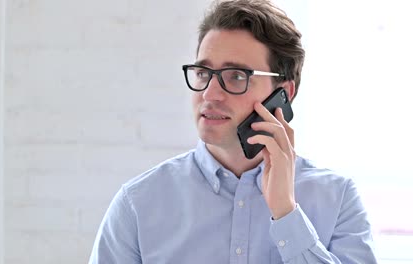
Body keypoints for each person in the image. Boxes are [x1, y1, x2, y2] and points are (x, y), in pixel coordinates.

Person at [89, 0, 377, 263]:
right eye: (203, 73)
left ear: (283, 93)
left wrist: (286, 212)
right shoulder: (138, 204)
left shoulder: (337, 199)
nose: (210, 94)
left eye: (236, 76)